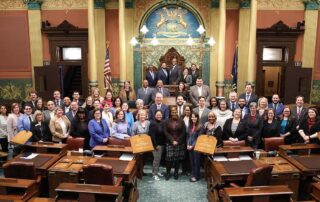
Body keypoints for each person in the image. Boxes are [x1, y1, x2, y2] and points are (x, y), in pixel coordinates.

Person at [164, 106, 186, 180]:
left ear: (177, 113)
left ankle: (176, 172)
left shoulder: (181, 121)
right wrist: (172, 140)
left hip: (179, 143)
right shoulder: (167, 121)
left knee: (177, 159)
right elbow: (165, 132)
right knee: (169, 159)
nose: (174, 113)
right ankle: (168, 172)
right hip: (169, 143)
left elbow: (183, 132)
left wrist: (178, 141)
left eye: (175, 112)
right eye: (172, 112)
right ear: (170, 113)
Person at [148, 110, 165, 181]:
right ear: (155, 115)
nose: (159, 116)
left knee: (159, 159)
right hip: (156, 145)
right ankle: (154, 174)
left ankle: (157, 172)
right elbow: (152, 136)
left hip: (162, 144)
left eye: (160, 115)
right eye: (157, 115)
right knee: (156, 160)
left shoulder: (162, 122)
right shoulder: (153, 123)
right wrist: (155, 145)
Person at [187, 112, 201, 182]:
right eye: (192, 117)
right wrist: (187, 144)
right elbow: (188, 136)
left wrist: (192, 146)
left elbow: (199, 138)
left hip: (196, 147)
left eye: (195, 117)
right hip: (189, 147)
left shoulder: (201, 126)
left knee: (196, 162)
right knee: (191, 162)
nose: (193, 118)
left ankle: (196, 176)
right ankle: (193, 174)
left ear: (197, 118)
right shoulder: (190, 126)